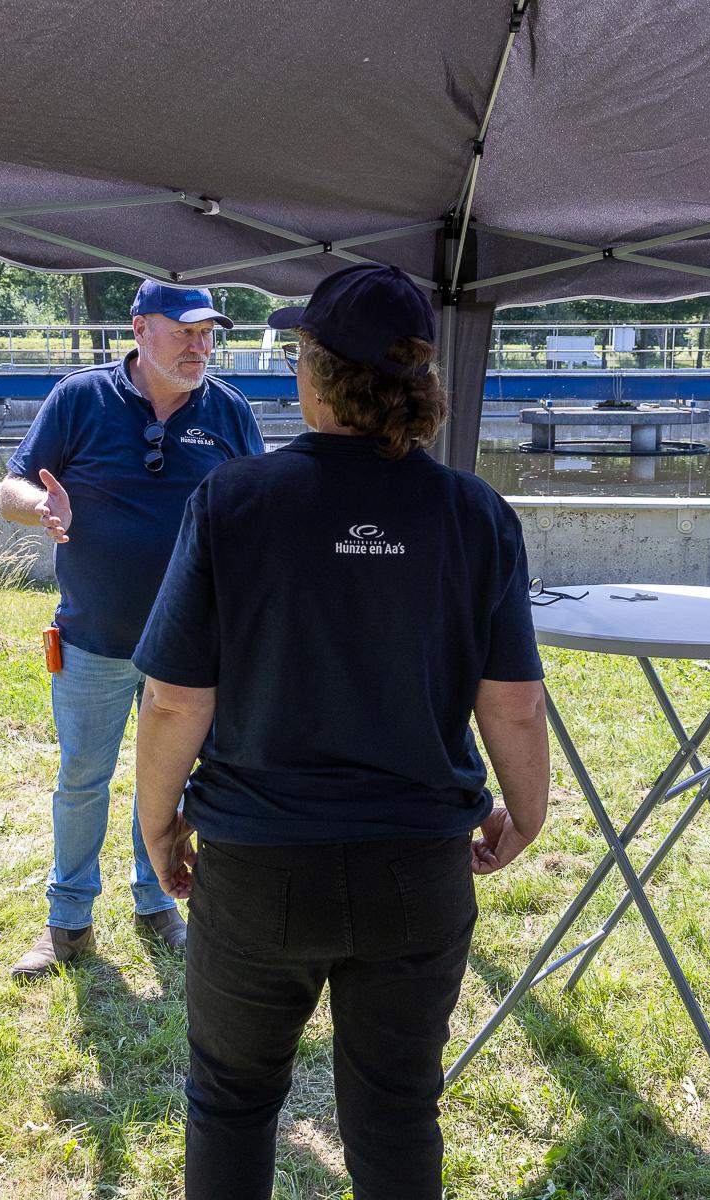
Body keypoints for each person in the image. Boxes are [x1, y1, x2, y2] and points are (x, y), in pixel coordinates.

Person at [130, 263, 551, 1199]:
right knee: (398, 1111)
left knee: (232, 1100)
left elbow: (173, 702)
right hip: (417, 864)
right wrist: (527, 812)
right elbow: (515, 703)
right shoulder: (475, 511)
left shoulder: (234, 500)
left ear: (317, 375)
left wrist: (157, 824)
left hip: (260, 864)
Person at [0, 282, 264, 979]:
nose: (200, 347)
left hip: (190, 650)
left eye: (208, 334)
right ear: (141, 329)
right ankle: (67, 922)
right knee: (82, 780)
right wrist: (42, 508)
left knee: (174, 780)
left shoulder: (229, 410)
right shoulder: (79, 398)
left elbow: (258, 506)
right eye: (184, 332)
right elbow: (10, 489)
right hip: (92, 637)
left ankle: (158, 901)